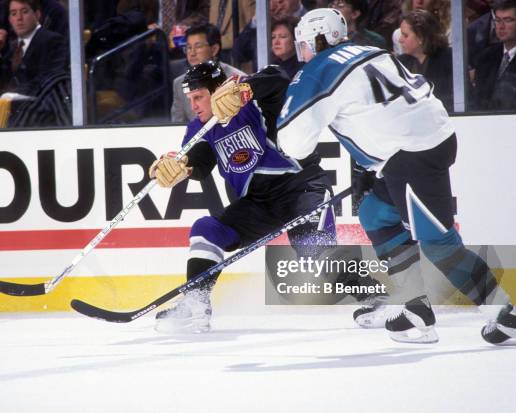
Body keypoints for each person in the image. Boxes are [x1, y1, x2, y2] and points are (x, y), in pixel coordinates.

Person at [212, 8, 516, 344]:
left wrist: (252, 99)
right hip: (426, 142)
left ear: (315, 40)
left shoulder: (319, 68)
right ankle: (415, 308)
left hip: (410, 154)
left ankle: (504, 313)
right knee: (375, 213)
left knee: (439, 245)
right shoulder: (371, 50)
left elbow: (295, 143)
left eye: (303, 45)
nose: (303, 53)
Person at [152, 61, 337, 333]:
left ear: (218, 90)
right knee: (206, 230)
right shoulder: (199, 128)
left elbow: (278, 77)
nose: (194, 105)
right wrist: (180, 168)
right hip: (257, 204)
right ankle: (195, 302)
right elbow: (199, 163)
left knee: (315, 258)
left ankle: (376, 295)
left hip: (301, 188)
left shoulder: (255, 103)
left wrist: (244, 90)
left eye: (199, 96)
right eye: (190, 99)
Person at [0, 0, 68, 99]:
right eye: (13, 14)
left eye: (24, 12)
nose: (19, 18)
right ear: (9, 19)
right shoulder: (12, 49)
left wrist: (13, 95)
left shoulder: (53, 41)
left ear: (37, 15)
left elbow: (48, 82)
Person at [171, 23, 244, 123]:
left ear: (214, 49)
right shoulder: (179, 84)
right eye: (188, 47)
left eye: (198, 46)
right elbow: (177, 127)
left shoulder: (238, 80)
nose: (192, 53)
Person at [397, 9, 454, 111]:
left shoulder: (449, 58)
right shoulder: (400, 63)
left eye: (405, 35)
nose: (400, 40)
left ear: (421, 38)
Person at [471, 0, 516, 111]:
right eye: (497, 20)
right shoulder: (486, 56)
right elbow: (479, 99)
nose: (501, 26)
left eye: (508, 20)